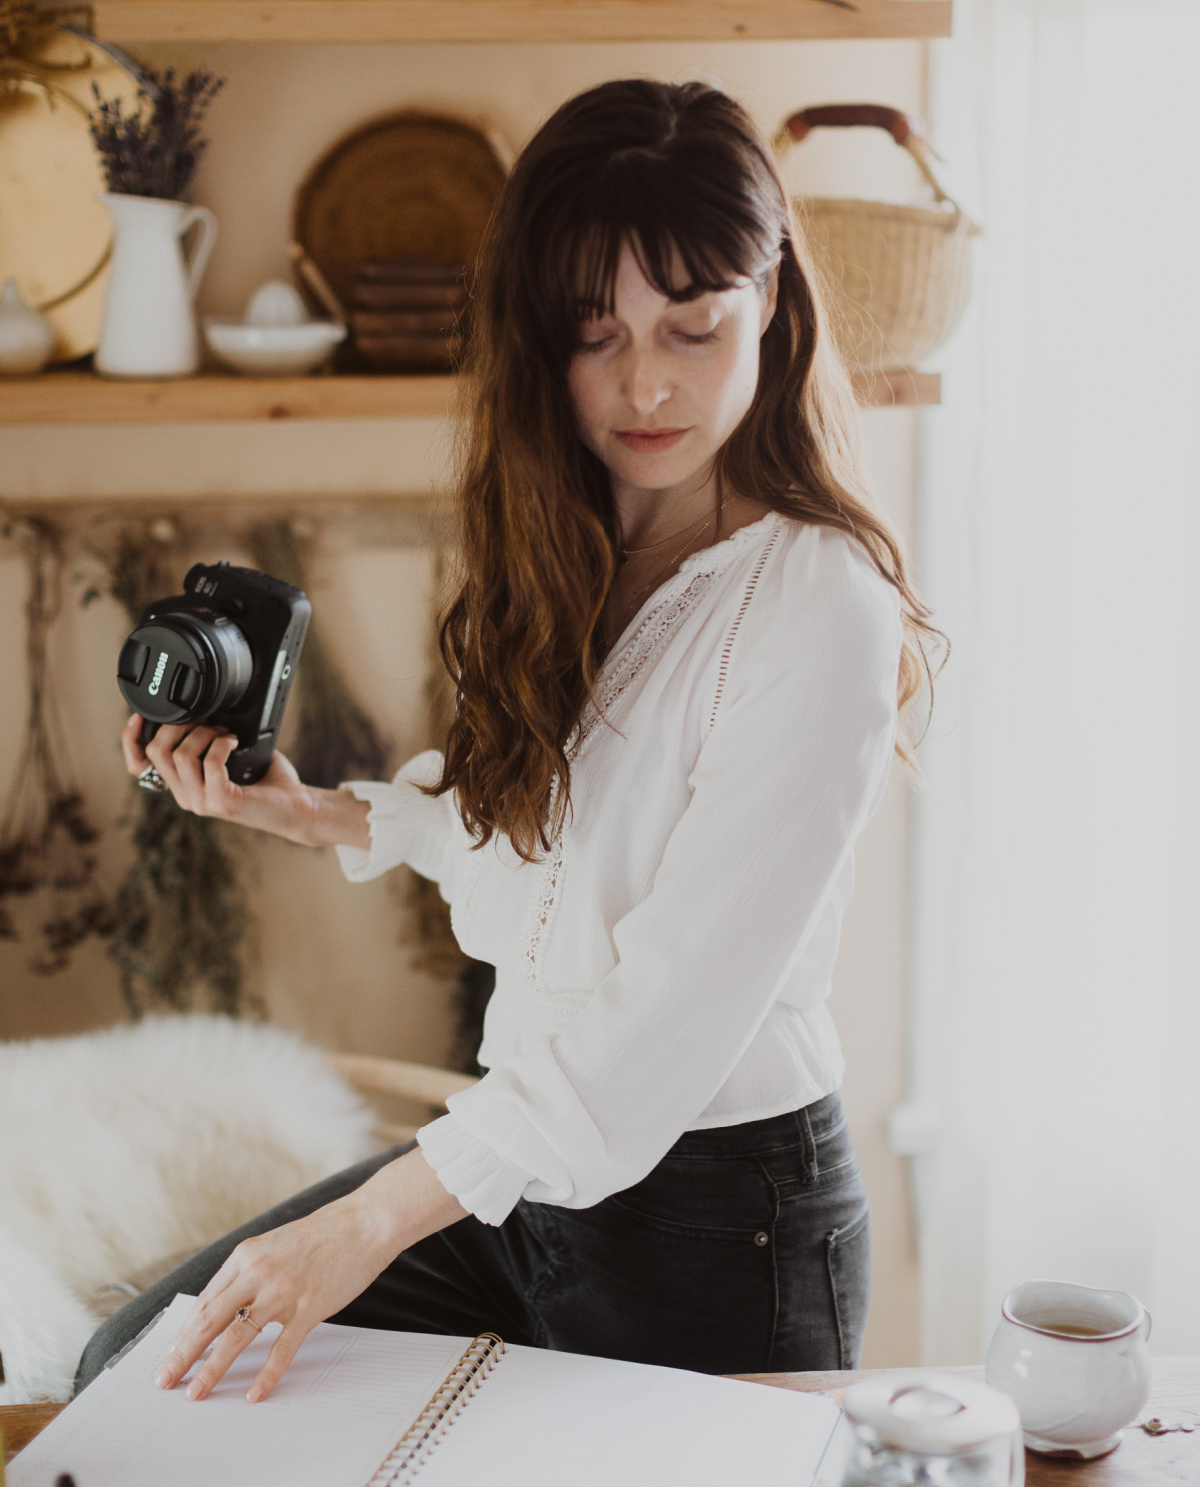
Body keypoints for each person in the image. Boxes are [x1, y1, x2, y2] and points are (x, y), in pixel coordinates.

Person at [76, 78, 937, 1401]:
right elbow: (550, 849)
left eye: (695, 327)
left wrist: (361, 1225)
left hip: (717, 1223)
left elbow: (658, 1017)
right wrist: (329, 816)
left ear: (774, 305)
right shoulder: (587, 538)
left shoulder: (820, 602)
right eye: (597, 336)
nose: (645, 383)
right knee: (132, 1369)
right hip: (525, 1168)